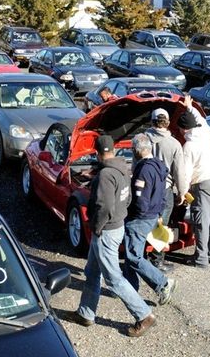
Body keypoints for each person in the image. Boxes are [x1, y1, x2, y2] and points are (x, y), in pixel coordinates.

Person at [72, 135, 157, 337]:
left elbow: (104, 206)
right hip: (116, 226)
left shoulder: (105, 175)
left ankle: (144, 314)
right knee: (92, 272)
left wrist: (97, 226)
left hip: (106, 231)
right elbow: (126, 199)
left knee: (113, 279)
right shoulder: (123, 169)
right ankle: (85, 313)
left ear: (97, 152)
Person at [123, 133, 177, 305]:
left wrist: (133, 212)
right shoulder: (158, 166)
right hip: (153, 214)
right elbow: (161, 192)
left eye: (132, 149)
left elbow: (140, 197)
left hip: (141, 217)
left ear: (137, 150)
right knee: (131, 251)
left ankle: (163, 283)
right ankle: (129, 287)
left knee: (133, 256)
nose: (132, 152)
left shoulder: (143, 170)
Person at [178, 95, 210, 269]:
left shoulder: (189, 146)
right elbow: (199, 118)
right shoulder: (205, 130)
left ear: (184, 129)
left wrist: (182, 193)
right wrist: (189, 107)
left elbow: (186, 173)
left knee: (201, 220)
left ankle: (201, 258)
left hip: (203, 183)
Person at [144, 107, 185, 271]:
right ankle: (157, 260)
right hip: (164, 191)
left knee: (144, 222)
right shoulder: (174, 144)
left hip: (146, 190)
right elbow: (179, 171)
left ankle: (141, 257)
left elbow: (135, 165)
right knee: (162, 225)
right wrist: (182, 192)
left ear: (152, 121)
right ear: (167, 123)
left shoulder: (142, 140)